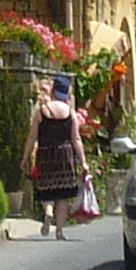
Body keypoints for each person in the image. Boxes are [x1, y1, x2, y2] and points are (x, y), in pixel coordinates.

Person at [30, 71, 89, 229]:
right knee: (63, 195)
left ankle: (48, 210)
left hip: (46, 153)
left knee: (46, 188)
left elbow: (32, 137)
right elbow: (76, 139)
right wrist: (83, 161)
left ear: (53, 91)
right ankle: (59, 231)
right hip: (65, 154)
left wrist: (25, 157)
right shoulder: (70, 113)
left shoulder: (41, 111)